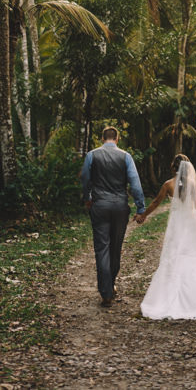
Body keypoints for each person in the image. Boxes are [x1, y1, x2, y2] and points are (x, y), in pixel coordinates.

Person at [138, 154, 196, 320]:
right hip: (192, 223)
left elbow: (155, 202)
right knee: (195, 256)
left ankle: (170, 295)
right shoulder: (192, 184)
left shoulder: (168, 184)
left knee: (174, 255)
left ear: (173, 167)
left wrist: (144, 215)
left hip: (176, 224)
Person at [80, 126, 146, 307]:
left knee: (102, 248)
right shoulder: (126, 156)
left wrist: (88, 198)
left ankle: (106, 292)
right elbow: (135, 183)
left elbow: (85, 178)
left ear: (103, 138)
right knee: (115, 247)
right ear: (117, 139)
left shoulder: (92, 155)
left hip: (99, 205)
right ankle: (111, 285)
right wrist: (140, 207)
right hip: (119, 207)